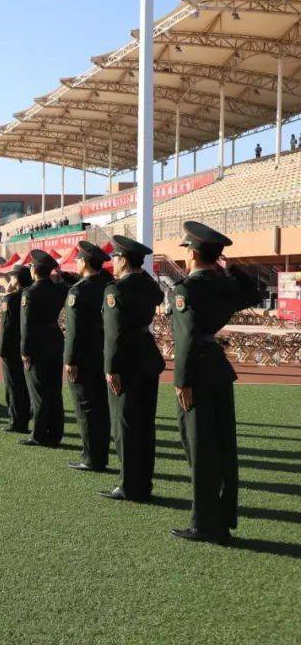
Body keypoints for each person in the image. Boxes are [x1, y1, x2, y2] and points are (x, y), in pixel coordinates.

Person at [169, 222, 262, 544]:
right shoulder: (224, 285)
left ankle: (204, 524)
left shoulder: (186, 289)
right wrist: (232, 269)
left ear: (192, 253)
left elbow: (187, 338)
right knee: (223, 448)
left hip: (197, 372)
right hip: (219, 369)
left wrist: (182, 381)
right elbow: (255, 291)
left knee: (200, 448)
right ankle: (221, 519)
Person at [100, 235, 164, 502]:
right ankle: (144, 483)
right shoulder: (148, 285)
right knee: (145, 425)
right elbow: (159, 296)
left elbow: (113, 334)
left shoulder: (115, 290)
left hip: (125, 360)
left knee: (125, 425)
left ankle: (129, 486)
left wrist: (111, 368)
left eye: (115, 257)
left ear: (123, 260)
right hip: (147, 356)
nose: (112, 262)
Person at [63, 241, 113, 472]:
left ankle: (92, 458)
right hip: (105, 354)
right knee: (102, 408)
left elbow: (73, 331)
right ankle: (100, 454)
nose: (76, 262)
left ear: (84, 262)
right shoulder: (109, 285)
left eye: (78, 259)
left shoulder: (79, 291)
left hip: (84, 357)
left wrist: (70, 360)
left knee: (86, 409)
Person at [18, 250, 68, 447]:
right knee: (55, 389)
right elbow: (69, 283)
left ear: (35, 270)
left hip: (37, 345)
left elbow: (26, 326)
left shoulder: (29, 293)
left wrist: (24, 351)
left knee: (38, 391)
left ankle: (38, 434)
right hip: (55, 341)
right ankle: (55, 433)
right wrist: (61, 274)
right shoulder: (59, 289)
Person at [0, 266, 33, 433]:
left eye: (11, 278)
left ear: (16, 280)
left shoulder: (10, 299)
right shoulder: (32, 295)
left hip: (12, 348)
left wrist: (1, 350)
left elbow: (6, 326)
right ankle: (24, 419)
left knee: (13, 385)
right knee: (24, 385)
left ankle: (16, 422)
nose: (9, 281)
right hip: (29, 346)